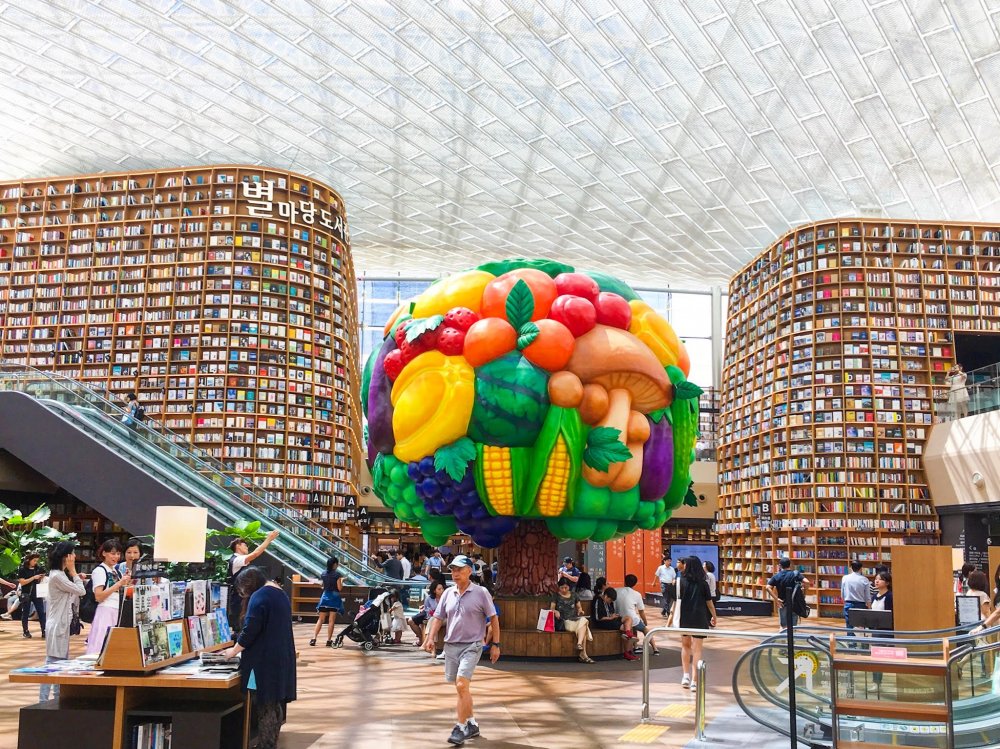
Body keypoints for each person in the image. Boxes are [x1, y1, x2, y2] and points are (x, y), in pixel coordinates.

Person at [422, 554, 500, 746]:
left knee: (461, 686)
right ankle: (472, 723)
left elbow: (494, 618)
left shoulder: (481, 592)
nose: (455, 573)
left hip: (472, 645)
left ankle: (461, 727)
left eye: (459, 569)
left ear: (469, 571)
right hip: (451, 646)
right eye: (453, 570)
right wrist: (430, 638)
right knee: (461, 689)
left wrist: (496, 645)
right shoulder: (448, 593)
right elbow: (438, 617)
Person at [224, 567, 296, 749]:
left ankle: (266, 744)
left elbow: (251, 630)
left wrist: (233, 651)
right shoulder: (279, 593)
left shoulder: (260, 597)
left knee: (264, 704)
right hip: (280, 657)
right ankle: (270, 742)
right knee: (274, 703)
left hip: (263, 661)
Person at [42, 541, 86, 701]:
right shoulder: (58, 576)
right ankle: (45, 700)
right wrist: (74, 572)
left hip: (59, 624)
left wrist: (74, 576)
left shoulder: (58, 575)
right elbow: (81, 591)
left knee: (57, 663)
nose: (75, 556)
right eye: (73, 553)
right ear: (66, 557)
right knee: (52, 664)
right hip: (57, 625)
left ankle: (54, 698)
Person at [668, 556, 717, 690]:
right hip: (700, 617)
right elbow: (709, 603)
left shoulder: (679, 581)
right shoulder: (703, 583)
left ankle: (685, 676)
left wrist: (671, 618)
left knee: (685, 646)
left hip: (684, 617)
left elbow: (675, 601)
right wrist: (714, 616)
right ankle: (695, 681)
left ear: (687, 566)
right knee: (697, 650)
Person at [228, 529, 280, 631]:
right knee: (240, 624)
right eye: (245, 545)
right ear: (238, 546)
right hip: (239, 597)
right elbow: (255, 554)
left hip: (243, 596)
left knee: (245, 623)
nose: (247, 547)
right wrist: (268, 539)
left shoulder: (239, 560)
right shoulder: (237, 559)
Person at [86, 539, 131, 655]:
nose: (115, 556)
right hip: (105, 611)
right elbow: (99, 596)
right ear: (104, 553)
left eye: (118, 553)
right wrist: (119, 584)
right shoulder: (100, 571)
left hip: (117, 611)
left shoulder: (116, 571)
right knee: (101, 644)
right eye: (112, 553)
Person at [550, 578, 594, 664]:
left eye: (566, 587)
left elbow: (579, 607)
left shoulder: (574, 595)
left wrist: (580, 611)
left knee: (583, 621)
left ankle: (580, 647)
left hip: (575, 619)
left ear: (569, 587)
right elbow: (551, 609)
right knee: (584, 625)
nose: (564, 590)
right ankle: (583, 653)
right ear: (559, 587)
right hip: (564, 621)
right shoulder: (555, 596)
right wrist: (555, 611)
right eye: (562, 588)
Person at [617, 574, 658, 656]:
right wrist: (645, 621)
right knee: (645, 629)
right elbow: (641, 611)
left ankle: (635, 647)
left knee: (633, 626)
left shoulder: (617, 590)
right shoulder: (637, 594)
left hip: (620, 618)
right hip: (632, 618)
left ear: (624, 581)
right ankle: (655, 648)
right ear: (635, 584)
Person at [767, 558, 809, 630]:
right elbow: (807, 582)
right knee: (793, 626)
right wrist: (804, 594)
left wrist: (776, 599)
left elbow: (768, 587)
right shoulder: (795, 574)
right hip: (794, 603)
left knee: (783, 626)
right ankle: (792, 640)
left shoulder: (777, 576)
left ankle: (782, 639)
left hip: (782, 603)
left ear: (780, 566)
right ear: (790, 565)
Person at [310, 557, 343, 647]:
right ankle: (328, 640)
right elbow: (339, 588)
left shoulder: (323, 574)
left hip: (324, 597)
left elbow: (323, 586)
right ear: (335, 564)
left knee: (320, 619)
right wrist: (342, 581)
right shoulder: (337, 575)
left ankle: (314, 638)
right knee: (331, 620)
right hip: (334, 598)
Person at [870, 571, 893, 688]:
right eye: (876, 579)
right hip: (875, 630)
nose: (877, 581)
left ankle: (881, 681)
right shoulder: (874, 596)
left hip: (886, 631)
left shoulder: (890, 596)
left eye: (880, 579)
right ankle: (876, 682)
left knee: (881, 657)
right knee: (875, 657)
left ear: (887, 582)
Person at [17, 552, 46, 639]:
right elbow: (22, 582)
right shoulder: (22, 569)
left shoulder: (38, 568)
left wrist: (41, 577)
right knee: (25, 612)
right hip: (26, 593)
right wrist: (33, 578)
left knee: (41, 612)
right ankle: (25, 631)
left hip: (37, 593)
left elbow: (42, 576)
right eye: (34, 560)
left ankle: (44, 630)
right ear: (29, 560)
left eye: (37, 561)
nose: (35, 562)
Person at [116, 537, 144, 628]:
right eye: (129, 552)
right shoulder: (117, 568)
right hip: (120, 606)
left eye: (135, 552)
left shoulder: (145, 570)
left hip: (139, 606)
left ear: (140, 554)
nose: (132, 556)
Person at [408, 580, 444, 645]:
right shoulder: (429, 598)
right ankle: (421, 638)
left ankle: (426, 642)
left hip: (440, 616)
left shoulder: (445, 598)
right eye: (439, 589)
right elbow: (427, 609)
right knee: (410, 621)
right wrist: (430, 612)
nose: (442, 590)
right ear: (434, 591)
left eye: (442, 589)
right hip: (428, 614)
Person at [841, 560, 871, 635]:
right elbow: (867, 596)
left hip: (848, 603)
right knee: (862, 626)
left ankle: (851, 644)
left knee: (849, 626)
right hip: (861, 605)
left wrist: (844, 602)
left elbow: (842, 593)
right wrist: (869, 607)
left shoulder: (845, 578)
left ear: (851, 568)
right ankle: (863, 643)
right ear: (861, 568)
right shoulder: (864, 579)